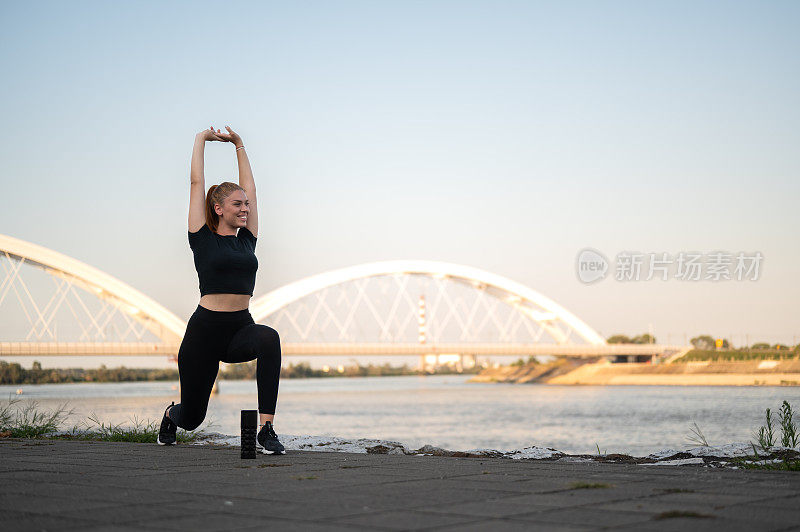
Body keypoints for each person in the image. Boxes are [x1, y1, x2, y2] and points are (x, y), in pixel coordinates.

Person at [157, 126, 285, 454]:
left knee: (269, 338)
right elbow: (197, 183)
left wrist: (239, 145)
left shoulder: (248, 241)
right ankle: (171, 415)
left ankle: (266, 429)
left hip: (239, 328)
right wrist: (201, 139)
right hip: (204, 333)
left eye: (246, 204)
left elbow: (252, 191)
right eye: (237, 204)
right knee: (192, 418)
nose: (245, 208)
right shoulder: (201, 236)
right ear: (218, 209)